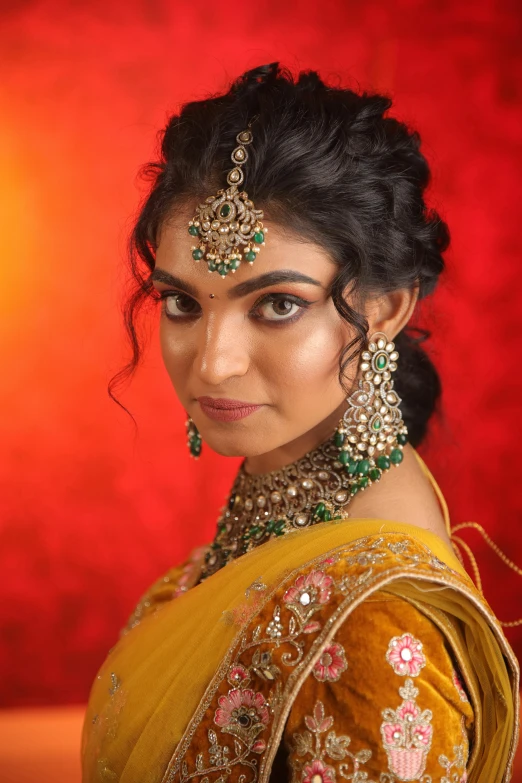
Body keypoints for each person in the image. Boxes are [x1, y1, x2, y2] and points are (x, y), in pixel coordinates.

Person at [81, 63, 519, 783]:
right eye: (184, 303)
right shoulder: (285, 526)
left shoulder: (373, 628)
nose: (214, 364)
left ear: (384, 310)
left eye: (276, 303)